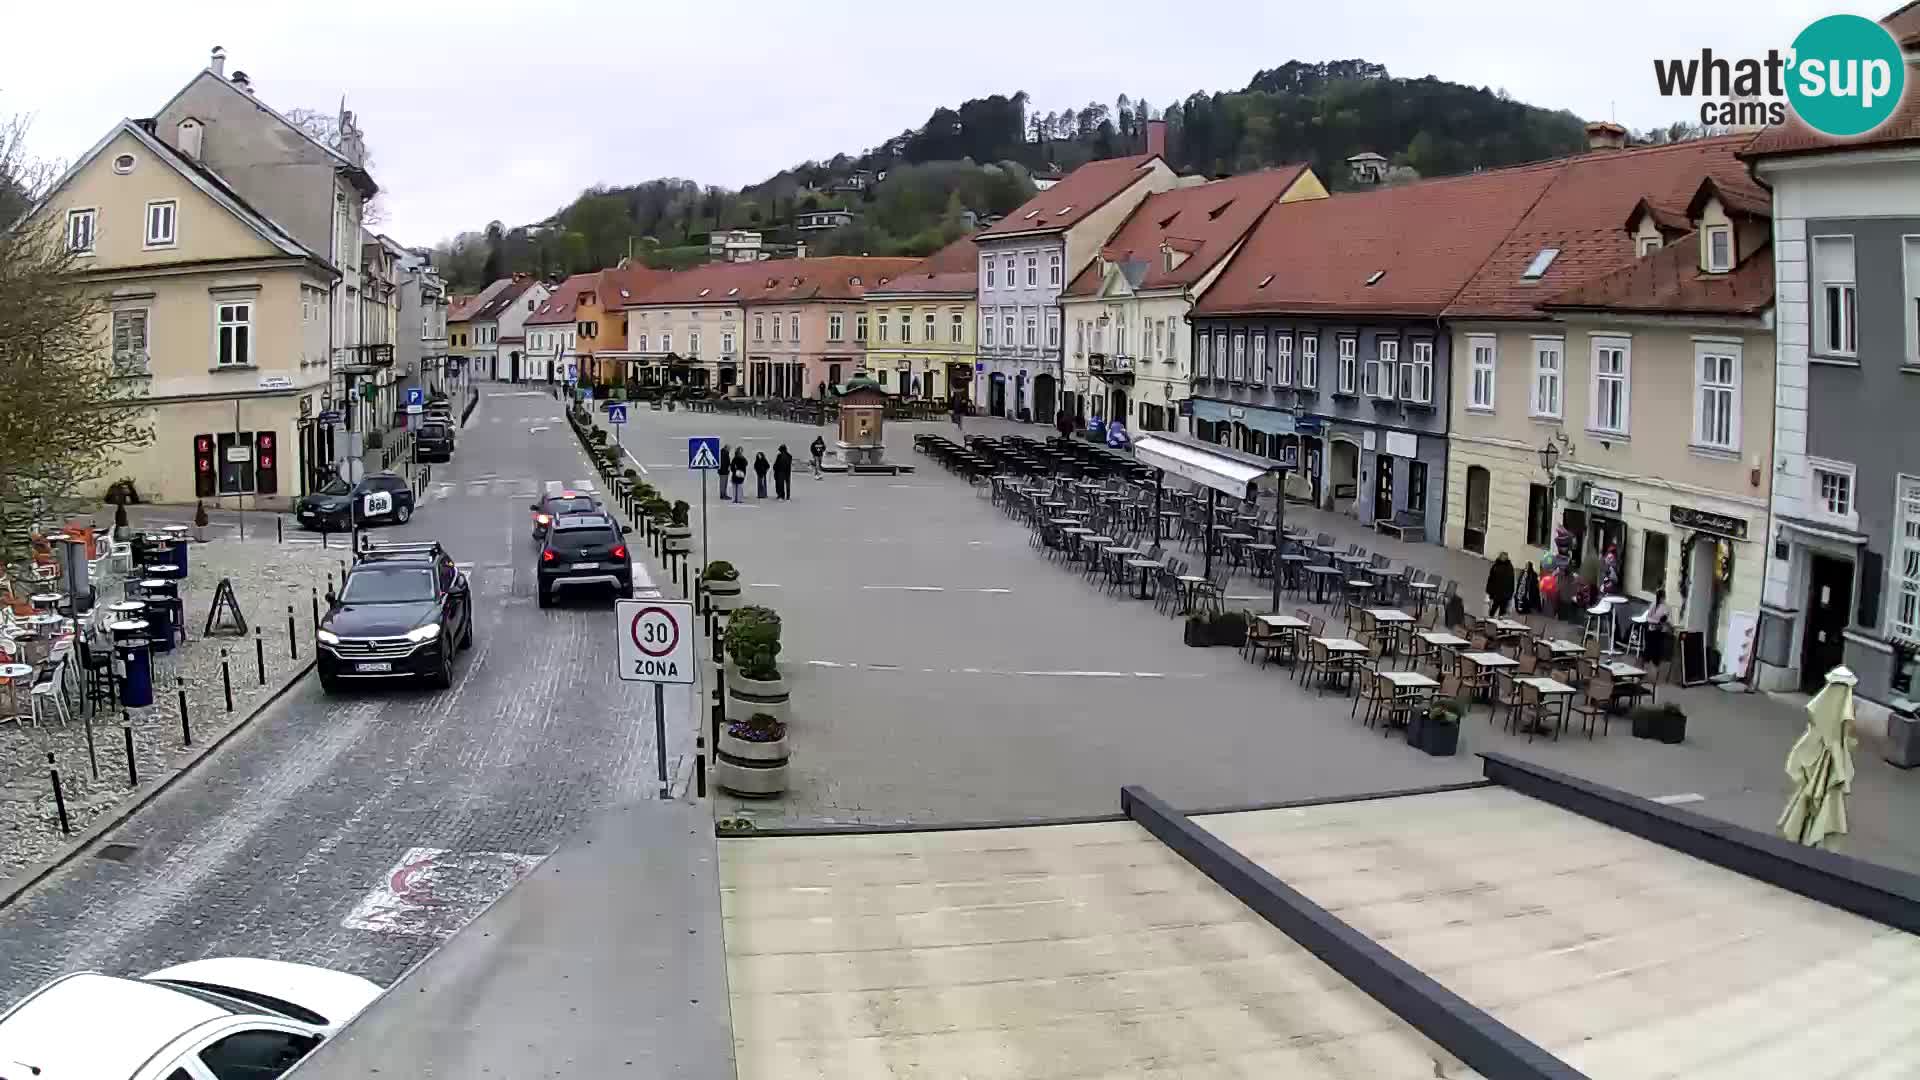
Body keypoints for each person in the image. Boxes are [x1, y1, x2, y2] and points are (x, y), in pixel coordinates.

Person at [1642, 588, 1674, 664]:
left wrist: (1661, 622)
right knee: (1652, 644)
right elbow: (1648, 617)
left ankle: (1652, 660)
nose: (1662, 599)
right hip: (1654, 628)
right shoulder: (1654, 605)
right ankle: (1649, 660)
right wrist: (1656, 622)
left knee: (1654, 645)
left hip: (1659, 629)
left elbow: (1666, 619)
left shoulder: (1666, 606)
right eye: (1662, 597)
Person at [1485, 552, 1515, 618]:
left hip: (1505, 594)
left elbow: (1511, 581)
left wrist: (1510, 593)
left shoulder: (1509, 567)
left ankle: (1500, 621)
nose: (1503, 558)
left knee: (1502, 611)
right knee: (1492, 609)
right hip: (1496, 592)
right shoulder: (1496, 565)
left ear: (1507, 558)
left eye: (1504, 557)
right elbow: (1491, 578)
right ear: (1500, 556)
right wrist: (1488, 591)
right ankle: (1490, 620)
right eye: (1502, 556)